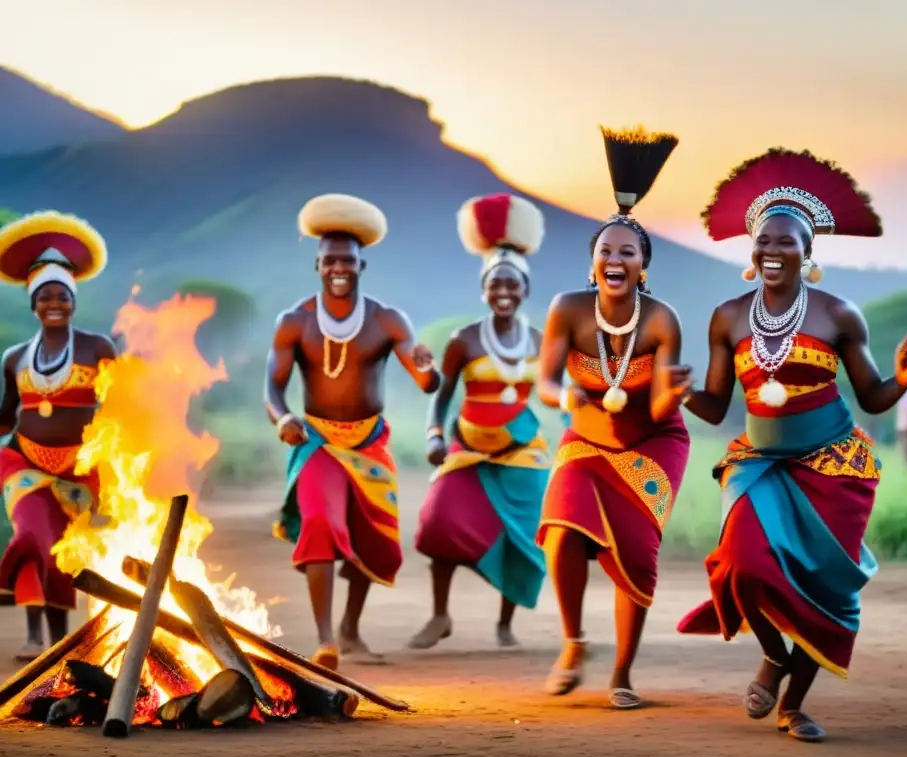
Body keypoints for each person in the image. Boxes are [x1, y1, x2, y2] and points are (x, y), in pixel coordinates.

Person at [676, 148, 907, 742]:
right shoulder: (728, 317)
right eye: (764, 240)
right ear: (751, 248)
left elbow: (871, 396)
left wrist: (906, 381)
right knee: (740, 563)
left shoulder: (839, 315)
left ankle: (794, 704)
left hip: (831, 466)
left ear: (808, 254)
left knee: (820, 583)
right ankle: (775, 653)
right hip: (760, 463)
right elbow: (716, 404)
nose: (773, 251)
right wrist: (680, 390)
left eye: (788, 242)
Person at [534, 126, 691, 710]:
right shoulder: (567, 310)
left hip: (653, 441)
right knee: (563, 529)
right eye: (606, 250)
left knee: (635, 551)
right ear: (593, 262)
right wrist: (565, 401)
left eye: (627, 252)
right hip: (588, 434)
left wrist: (671, 395)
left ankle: (622, 672)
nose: (615, 258)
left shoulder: (661, 320)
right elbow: (547, 381)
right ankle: (573, 642)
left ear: (643, 267)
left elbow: (654, 408)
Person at [265, 193, 440, 668]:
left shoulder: (386, 319)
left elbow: (424, 378)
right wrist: (283, 420)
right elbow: (273, 389)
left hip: (369, 442)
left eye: (347, 261)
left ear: (363, 265)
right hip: (317, 441)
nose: (338, 268)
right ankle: (326, 641)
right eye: (329, 261)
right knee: (322, 524)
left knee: (374, 540)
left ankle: (350, 629)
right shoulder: (294, 322)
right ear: (317, 266)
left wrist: (428, 370)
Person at [410, 193, 550, 650]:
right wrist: (434, 435)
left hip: (521, 455)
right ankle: (439, 616)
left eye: (512, 284)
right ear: (484, 290)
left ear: (525, 289)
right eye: (496, 284)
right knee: (438, 522)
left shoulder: (539, 341)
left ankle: (505, 624)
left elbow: (556, 390)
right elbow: (442, 397)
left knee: (520, 539)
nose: (504, 292)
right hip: (467, 450)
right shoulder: (463, 341)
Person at [0, 211, 117, 661]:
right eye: (45, 296)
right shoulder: (14, 358)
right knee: (35, 533)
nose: (54, 303)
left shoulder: (97, 348)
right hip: (24, 462)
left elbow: (121, 407)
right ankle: (40, 637)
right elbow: (5, 414)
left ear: (74, 301)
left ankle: (60, 642)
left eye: (62, 296)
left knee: (66, 551)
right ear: (33, 304)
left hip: (81, 468)